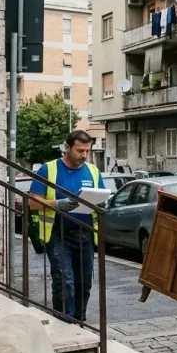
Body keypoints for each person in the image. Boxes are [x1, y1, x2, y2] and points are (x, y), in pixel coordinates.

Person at [28, 131, 106, 321]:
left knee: (84, 282)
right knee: (65, 282)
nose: (84, 156)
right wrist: (58, 205)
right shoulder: (49, 169)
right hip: (58, 234)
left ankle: (79, 321)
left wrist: (102, 203)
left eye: (87, 151)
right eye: (80, 151)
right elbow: (32, 202)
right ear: (67, 147)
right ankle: (64, 322)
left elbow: (102, 195)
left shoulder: (93, 171)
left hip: (85, 234)